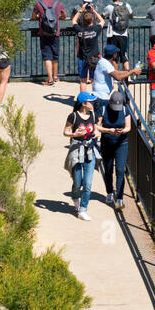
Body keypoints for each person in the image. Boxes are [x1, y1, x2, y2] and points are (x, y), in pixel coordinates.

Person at [63, 91, 99, 220]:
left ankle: (83, 209)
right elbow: (65, 132)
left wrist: (96, 133)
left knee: (88, 184)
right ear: (84, 104)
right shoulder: (73, 116)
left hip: (90, 150)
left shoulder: (93, 115)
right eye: (91, 101)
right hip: (77, 150)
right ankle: (75, 197)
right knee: (78, 182)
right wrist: (75, 134)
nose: (94, 103)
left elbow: (95, 129)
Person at [97, 84, 131, 210]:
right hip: (107, 142)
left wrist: (123, 131)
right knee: (108, 169)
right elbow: (98, 126)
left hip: (121, 143)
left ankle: (120, 198)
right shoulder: (103, 108)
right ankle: (110, 192)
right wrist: (108, 130)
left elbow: (129, 126)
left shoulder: (124, 109)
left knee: (120, 170)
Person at [91, 42, 141, 118]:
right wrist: (132, 72)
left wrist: (131, 71)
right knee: (100, 120)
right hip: (101, 97)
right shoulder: (106, 64)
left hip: (100, 96)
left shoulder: (103, 61)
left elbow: (116, 72)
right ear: (114, 54)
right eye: (116, 53)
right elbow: (118, 77)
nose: (117, 55)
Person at [32, 0, 67, 85]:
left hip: (43, 33)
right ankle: (55, 77)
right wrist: (58, 16)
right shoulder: (58, 4)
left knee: (47, 56)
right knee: (55, 55)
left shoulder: (39, 4)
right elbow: (64, 16)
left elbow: (33, 16)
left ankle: (50, 79)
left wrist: (39, 16)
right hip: (55, 32)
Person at [71, 1, 103, 91]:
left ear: (83, 21)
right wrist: (94, 11)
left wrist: (80, 10)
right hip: (94, 58)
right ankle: (95, 98)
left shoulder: (80, 30)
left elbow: (73, 20)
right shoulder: (96, 30)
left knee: (83, 81)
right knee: (94, 80)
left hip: (82, 58)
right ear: (92, 20)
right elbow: (102, 21)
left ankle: (83, 101)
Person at [102, 0, 133, 70]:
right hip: (124, 34)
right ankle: (127, 76)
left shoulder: (109, 7)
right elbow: (131, 15)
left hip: (113, 34)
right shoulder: (127, 5)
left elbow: (102, 16)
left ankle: (116, 77)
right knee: (124, 56)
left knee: (114, 56)